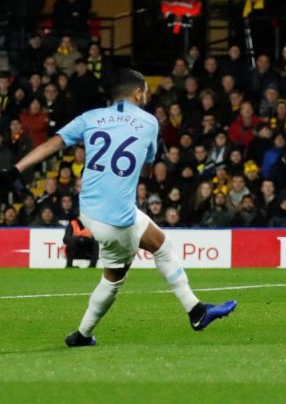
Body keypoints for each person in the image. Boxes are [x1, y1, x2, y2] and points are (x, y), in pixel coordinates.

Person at [0, 69, 236, 347]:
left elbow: (54, 143)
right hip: (116, 219)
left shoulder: (90, 117)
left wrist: (15, 170)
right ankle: (85, 334)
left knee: (162, 245)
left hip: (90, 209)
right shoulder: (149, 122)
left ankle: (195, 311)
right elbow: (147, 169)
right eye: (145, 91)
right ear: (137, 92)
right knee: (114, 278)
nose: (146, 95)